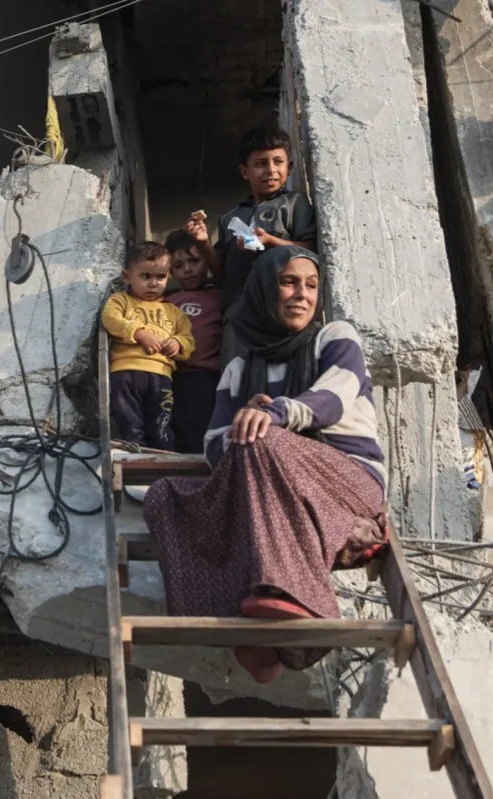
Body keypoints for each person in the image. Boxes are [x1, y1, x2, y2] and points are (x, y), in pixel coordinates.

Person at [142, 246, 388, 683]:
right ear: (262, 290)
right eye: (288, 282)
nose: (301, 295)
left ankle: (306, 603)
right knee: (165, 497)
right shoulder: (240, 366)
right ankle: (240, 629)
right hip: (267, 479)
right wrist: (247, 420)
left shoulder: (334, 338)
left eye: (311, 286)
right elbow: (215, 444)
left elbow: (331, 401)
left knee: (262, 440)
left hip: (349, 481)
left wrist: (273, 415)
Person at [183, 126, 317, 363]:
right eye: (261, 164)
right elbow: (222, 277)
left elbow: (311, 250)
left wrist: (271, 242)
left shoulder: (295, 204)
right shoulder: (229, 218)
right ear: (245, 171)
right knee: (237, 383)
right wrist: (203, 243)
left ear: (290, 167)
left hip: (282, 312)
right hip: (238, 315)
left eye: (278, 162)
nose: (271, 170)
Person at [100, 242, 195, 450]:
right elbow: (110, 318)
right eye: (145, 277)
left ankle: (162, 450)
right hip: (125, 372)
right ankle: (135, 447)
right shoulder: (121, 301)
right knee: (128, 415)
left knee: (161, 418)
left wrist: (177, 342)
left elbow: (188, 339)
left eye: (160, 277)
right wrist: (139, 333)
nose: (153, 283)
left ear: (168, 277)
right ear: (127, 276)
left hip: (161, 375)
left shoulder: (174, 311)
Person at [164, 230, 223, 453]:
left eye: (194, 261)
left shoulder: (219, 296)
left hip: (206, 378)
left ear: (207, 261)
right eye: (178, 266)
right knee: (177, 433)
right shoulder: (166, 301)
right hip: (172, 376)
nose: (187, 269)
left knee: (203, 434)